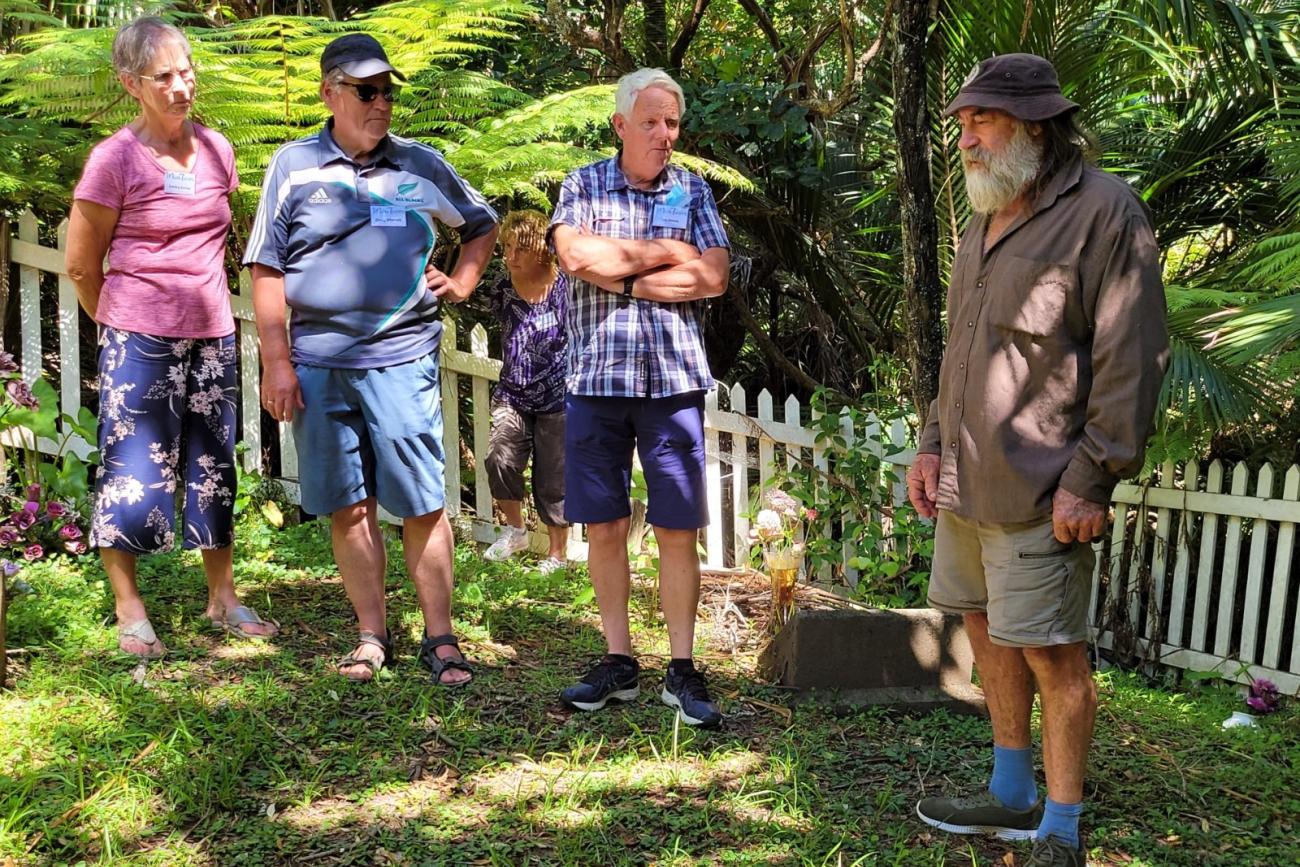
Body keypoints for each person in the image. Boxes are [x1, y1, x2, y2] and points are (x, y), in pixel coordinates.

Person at [907, 54, 1169, 866]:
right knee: (986, 632)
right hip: (967, 483)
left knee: (1054, 655)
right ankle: (1011, 787)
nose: (966, 139)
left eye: (981, 121)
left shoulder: (1104, 212)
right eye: (961, 123)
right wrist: (931, 445)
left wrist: (1092, 476)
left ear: (1034, 126)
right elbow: (958, 352)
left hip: (1044, 487)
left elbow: (1133, 355)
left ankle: (1060, 826)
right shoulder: (981, 219)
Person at [243, 33, 498, 686]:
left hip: (403, 357)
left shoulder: (420, 164)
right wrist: (277, 361)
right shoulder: (292, 166)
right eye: (366, 90)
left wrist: (464, 281)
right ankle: (371, 635)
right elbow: (266, 265)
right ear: (330, 92)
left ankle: (440, 638)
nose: (381, 102)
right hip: (320, 362)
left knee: (421, 502)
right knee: (347, 505)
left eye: (387, 90)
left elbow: (480, 222)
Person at [65, 16, 278, 659]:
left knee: (214, 465)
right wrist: (124, 321)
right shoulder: (114, 159)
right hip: (139, 333)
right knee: (134, 470)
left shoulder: (217, 150)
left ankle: (222, 597)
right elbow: (81, 263)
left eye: (187, 71)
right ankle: (130, 608)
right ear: (132, 84)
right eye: (165, 77)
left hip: (211, 330)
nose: (182, 86)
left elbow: (218, 238)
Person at [549, 68, 730, 728]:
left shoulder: (693, 187)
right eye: (651, 122)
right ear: (621, 124)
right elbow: (574, 256)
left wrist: (622, 270)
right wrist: (660, 254)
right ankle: (619, 659)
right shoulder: (583, 183)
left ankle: (682, 668)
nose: (664, 134)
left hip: (673, 382)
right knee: (604, 525)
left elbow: (711, 273)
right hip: (596, 380)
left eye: (673, 123)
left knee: (678, 527)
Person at [481, 210, 570, 573]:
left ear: (542, 250)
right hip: (513, 394)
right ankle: (515, 531)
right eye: (507, 248)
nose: (510, 257)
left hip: (559, 399)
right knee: (499, 458)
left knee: (553, 478)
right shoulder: (502, 289)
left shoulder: (567, 288)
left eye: (519, 249)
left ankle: (557, 555)